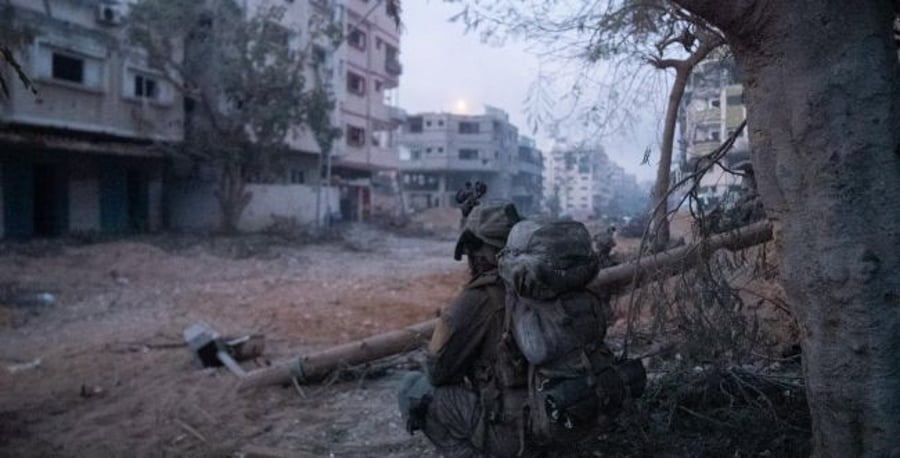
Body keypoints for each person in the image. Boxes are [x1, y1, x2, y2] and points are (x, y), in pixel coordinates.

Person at [398, 201, 531, 458]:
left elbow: (438, 372)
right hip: (566, 419)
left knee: (414, 388)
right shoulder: (543, 284)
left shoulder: (479, 298)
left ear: (477, 251)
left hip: (518, 436)